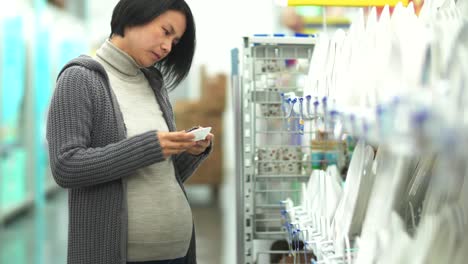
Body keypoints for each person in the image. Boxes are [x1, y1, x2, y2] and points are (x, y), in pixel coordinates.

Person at [46, 0, 213, 263]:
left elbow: (158, 173)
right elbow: (66, 166)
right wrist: (149, 147)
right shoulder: (80, 78)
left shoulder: (153, 84)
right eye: (165, 31)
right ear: (135, 15)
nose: (168, 47)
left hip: (177, 252)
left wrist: (187, 149)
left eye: (176, 41)